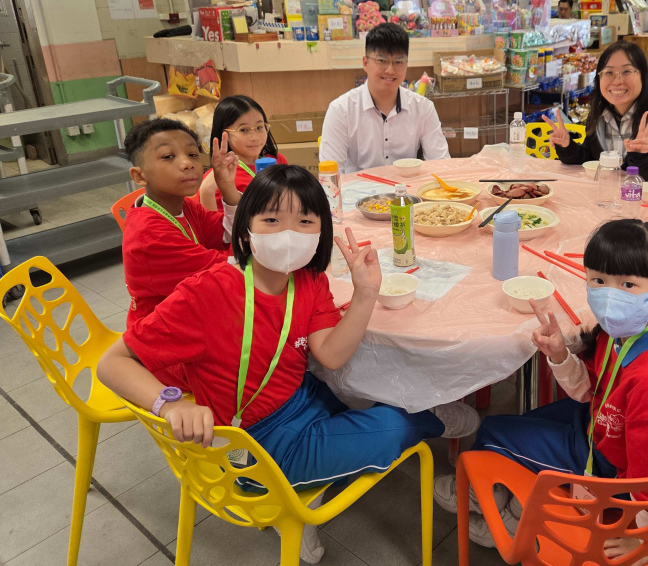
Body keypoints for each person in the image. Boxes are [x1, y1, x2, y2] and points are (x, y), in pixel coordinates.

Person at [98, 165, 478, 564]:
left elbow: (330, 354)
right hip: (256, 444)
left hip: (300, 399)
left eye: (304, 222)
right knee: (394, 426)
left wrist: (366, 293)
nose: (288, 234)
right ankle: (429, 421)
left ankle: (307, 488)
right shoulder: (206, 293)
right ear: (245, 229)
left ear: (321, 233)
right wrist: (170, 404)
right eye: (272, 220)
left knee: (357, 390)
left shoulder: (309, 280)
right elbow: (112, 363)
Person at [434, 220, 648, 553]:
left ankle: (498, 517)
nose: (609, 295)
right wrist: (561, 354)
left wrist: (645, 540)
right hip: (603, 425)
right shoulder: (630, 328)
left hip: (609, 469)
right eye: (599, 280)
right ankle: (511, 504)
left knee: (493, 432)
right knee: (511, 426)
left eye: (627, 284)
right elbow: (591, 389)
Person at [122, 118, 241, 335]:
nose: (187, 163)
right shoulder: (150, 236)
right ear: (139, 176)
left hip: (192, 313)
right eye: (168, 156)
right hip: (164, 335)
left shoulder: (182, 206)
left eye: (193, 154)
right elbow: (230, 270)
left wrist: (226, 185)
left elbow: (227, 232)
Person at [543, 40, 648, 191]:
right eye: (608, 72)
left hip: (647, 205)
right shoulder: (600, 112)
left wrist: (646, 159)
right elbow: (590, 161)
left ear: (643, 75)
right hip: (605, 200)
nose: (617, 81)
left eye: (627, 71)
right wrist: (568, 147)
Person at [319, 23, 450, 174]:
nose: (390, 70)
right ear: (365, 63)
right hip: (357, 188)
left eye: (398, 62)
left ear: (406, 65)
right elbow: (330, 177)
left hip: (408, 188)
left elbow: (441, 165)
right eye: (382, 61)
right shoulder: (341, 110)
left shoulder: (423, 108)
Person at [199, 95, 288, 212]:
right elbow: (218, 222)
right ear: (225, 134)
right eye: (244, 130)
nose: (255, 137)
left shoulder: (277, 160)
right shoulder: (219, 177)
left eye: (259, 127)